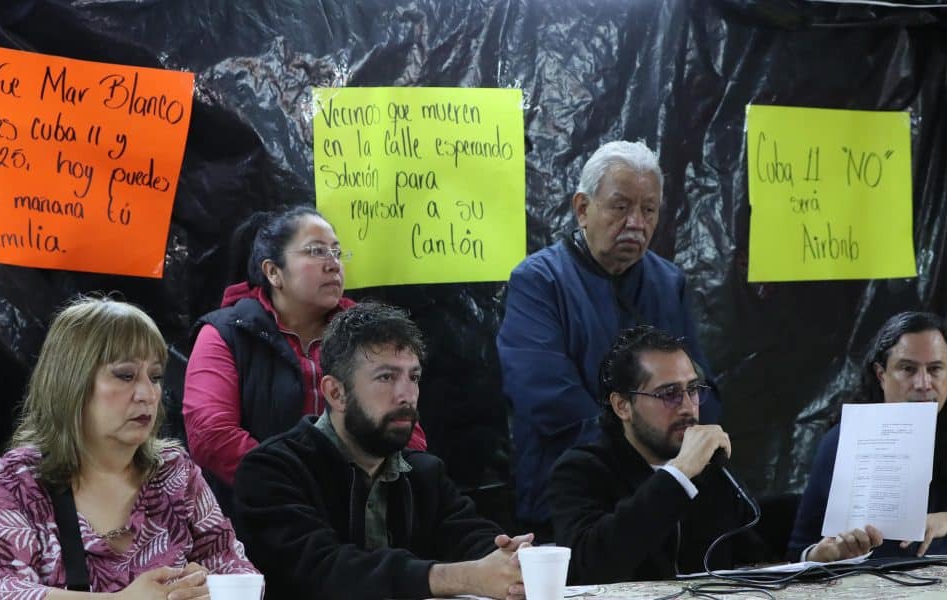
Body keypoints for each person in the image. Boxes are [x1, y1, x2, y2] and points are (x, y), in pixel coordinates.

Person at [234, 303, 531, 600]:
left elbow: (472, 538)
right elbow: (325, 572)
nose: (406, 395)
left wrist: (511, 559)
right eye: (386, 377)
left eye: (413, 377)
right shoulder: (272, 470)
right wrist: (462, 576)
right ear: (336, 393)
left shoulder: (424, 473)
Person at [498, 140, 717, 535]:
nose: (636, 222)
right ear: (583, 208)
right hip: (569, 496)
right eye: (621, 206)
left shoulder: (669, 282)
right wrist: (644, 464)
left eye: (648, 209)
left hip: (667, 495)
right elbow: (546, 395)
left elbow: (701, 385)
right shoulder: (539, 281)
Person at [0, 297, 256, 598]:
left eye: (155, 377)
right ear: (71, 381)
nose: (147, 394)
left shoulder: (175, 472)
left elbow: (237, 570)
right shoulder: (13, 482)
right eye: (125, 375)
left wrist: (210, 591)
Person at [183, 206, 427, 492]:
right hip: (259, 509)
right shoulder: (225, 333)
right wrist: (297, 484)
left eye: (337, 252)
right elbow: (212, 436)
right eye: (316, 251)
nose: (333, 264)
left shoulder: (368, 336)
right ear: (273, 272)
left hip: (364, 503)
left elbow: (405, 427)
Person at [549, 325, 753, 583]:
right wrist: (678, 475)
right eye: (669, 394)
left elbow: (751, 550)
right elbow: (587, 566)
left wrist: (810, 553)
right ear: (623, 406)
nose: (688, 408)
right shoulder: (581, 470)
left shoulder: (708, 468)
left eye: (692, 389)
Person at [788, 311, 947, 562]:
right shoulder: (841, 441)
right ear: (881, 375)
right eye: (908, 369)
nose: (923, 383)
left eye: (935, 369)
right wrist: (826, 554)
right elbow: (798, 552)